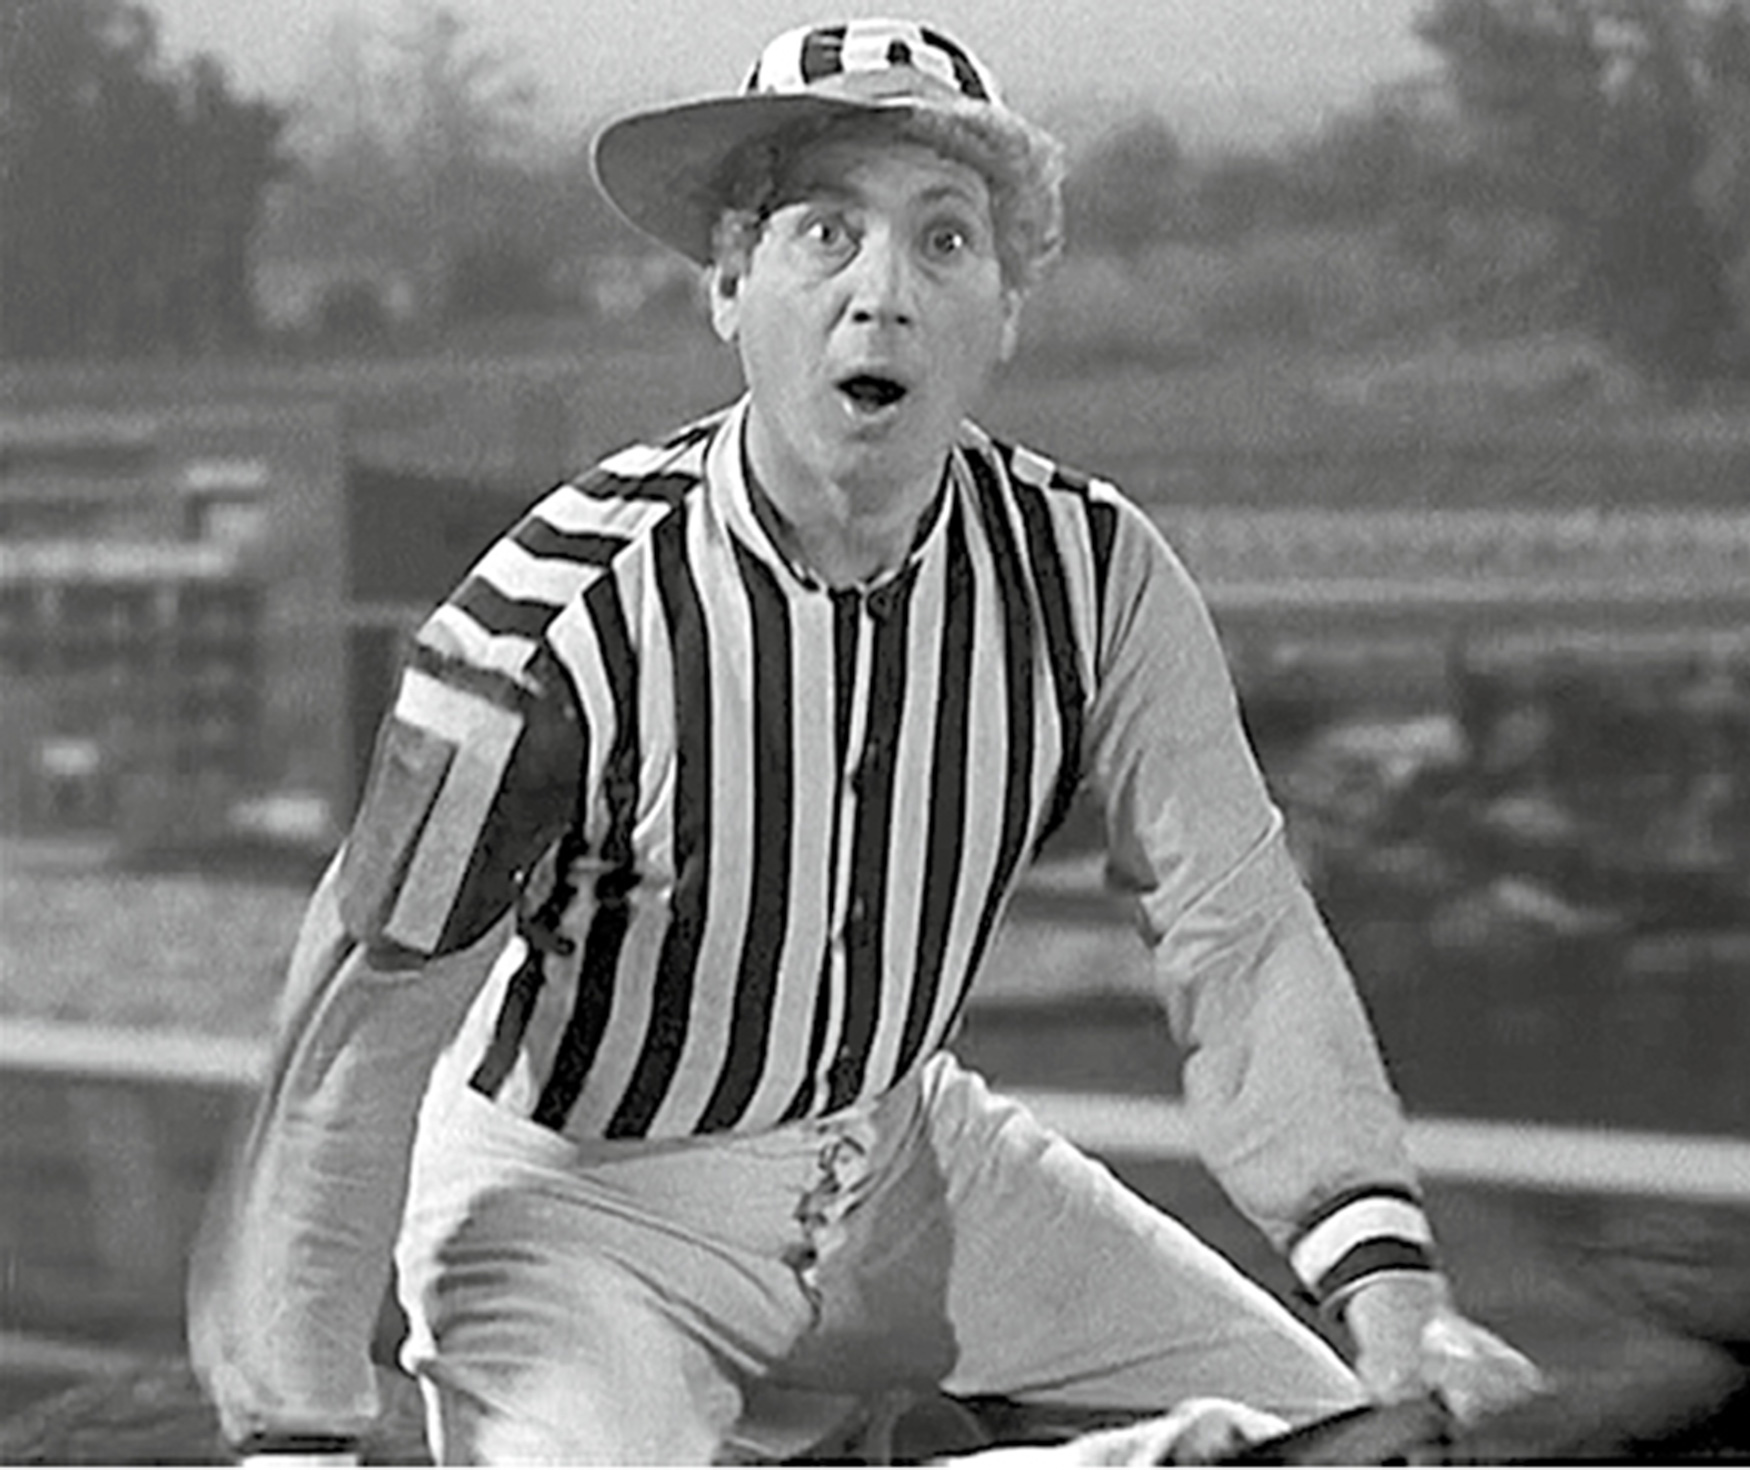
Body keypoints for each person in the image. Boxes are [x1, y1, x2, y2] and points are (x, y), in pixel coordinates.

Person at [188, 18, 1544, 1465]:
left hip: (899, 1155)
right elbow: (360, 1025)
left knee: (1362, 1445)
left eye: (945, 242)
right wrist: (299, 1426)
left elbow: (1243, 936)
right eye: (825, 233)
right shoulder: (549, 622)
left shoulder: (1097, 577)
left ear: (1008, 308)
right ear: (729, 282)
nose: (881, 297)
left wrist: (1398, 1309)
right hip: (577, 1209)